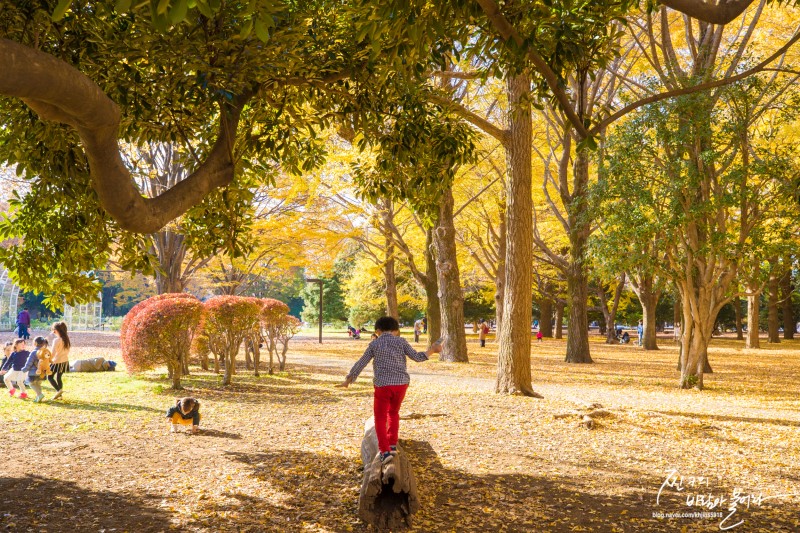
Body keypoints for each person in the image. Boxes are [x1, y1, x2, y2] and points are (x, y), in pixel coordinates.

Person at [337, 316, 442, 464]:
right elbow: (417, 357)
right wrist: (432, 350)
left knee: (380, 417)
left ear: (378, 331)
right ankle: (392, 444)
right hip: (401, 384)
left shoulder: (375, 344)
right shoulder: (401, 341)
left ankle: (385, 451)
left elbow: (361, 362)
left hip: (383, 385)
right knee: (393, 413)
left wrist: (349, 379)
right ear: (396, 330)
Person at [22, 337, 49, 402]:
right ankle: (38, 396)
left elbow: (29, 362)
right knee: (38, 384)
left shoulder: (34, 352)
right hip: (43, 372)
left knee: (32, 384)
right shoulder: (46, 351)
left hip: (33, 373)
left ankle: (39, 394)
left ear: (35, 343)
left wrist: (25, 369)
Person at [49, 322, 71, 400]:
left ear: (57, 330)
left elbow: (53, 353)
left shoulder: (57, 340)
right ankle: (60, 395)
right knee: (59, 377)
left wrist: (49, 360)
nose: (53, 332)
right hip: (65, 361)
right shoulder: (66, 339)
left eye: (54, 330)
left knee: (50, 377)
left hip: (57, 361)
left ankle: (59, 391)